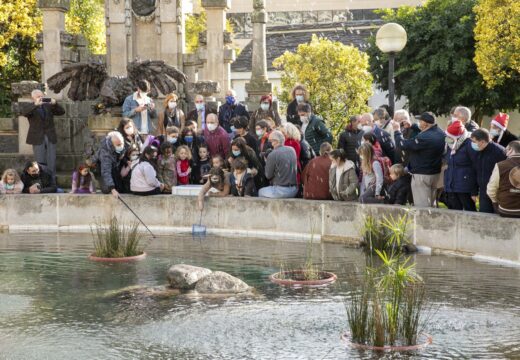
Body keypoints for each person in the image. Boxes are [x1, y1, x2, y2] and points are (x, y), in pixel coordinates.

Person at [392, 112, 445, 207]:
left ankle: (423, 222)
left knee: (422, 206)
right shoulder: (440, 132)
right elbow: (426, 131)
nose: (419, 123)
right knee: (432, 204)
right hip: (434, 174)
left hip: (422, 175)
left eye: (420, 121)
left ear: (425, 124)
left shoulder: (424, 138)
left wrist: (397, 131)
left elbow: (402, 144)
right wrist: (413, 126)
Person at [20, 89, 65, 177]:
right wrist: (35, 105)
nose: (41, 98)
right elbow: (24, 113)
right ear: (33, 98)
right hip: (37, 137)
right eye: (38, 97)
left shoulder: (48, 106)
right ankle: (42, 180)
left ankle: (52, 181)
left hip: (50, 135)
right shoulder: (29, 106)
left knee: (51, 159)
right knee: (40, 160)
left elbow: (61, 112)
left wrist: (55, 103)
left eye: (42, 96)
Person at [443, 120, 478, 211]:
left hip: (465, 186)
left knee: (469, 212)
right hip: (451, 185)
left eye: (450, 136)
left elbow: (476, 167)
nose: (447, 138)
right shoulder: (450, 143)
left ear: (457, 137)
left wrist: (474, 191)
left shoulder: (469, 144)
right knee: (453, 211)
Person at [470, 128, 507, 213]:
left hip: (497, 193)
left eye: (474, 141)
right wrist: (473, 192)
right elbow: (475, 172)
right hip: (483, 193)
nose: (472, 144)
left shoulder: (500, 152)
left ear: (482, 141)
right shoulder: (477, 151)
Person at [258, 130, 298, 198]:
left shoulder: (273, 154)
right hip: (294, 189)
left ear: (275, 141)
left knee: (260, 191)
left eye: (270, 141)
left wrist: (267, 161)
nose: (269, 143)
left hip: (280, 190)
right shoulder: (292, 150)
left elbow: (268, 175)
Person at [487, 141, 520, 217]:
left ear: (511, 150)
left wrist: (496, 202)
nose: (505, 152)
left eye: (506, 150)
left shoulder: (500, 165)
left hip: (506, 210)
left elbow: (491, 190)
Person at [94, 131, 127, 196]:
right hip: (102, 169)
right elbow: (106, 171)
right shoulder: (105, 153)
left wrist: (125, 161)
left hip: (115, 167)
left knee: (121, 188)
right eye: (118, 145)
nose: (121, 146)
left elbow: (122, 155)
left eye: (121, 144)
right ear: (112, 144)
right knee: (107, 189)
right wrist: (112, 189)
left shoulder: (121, 145)